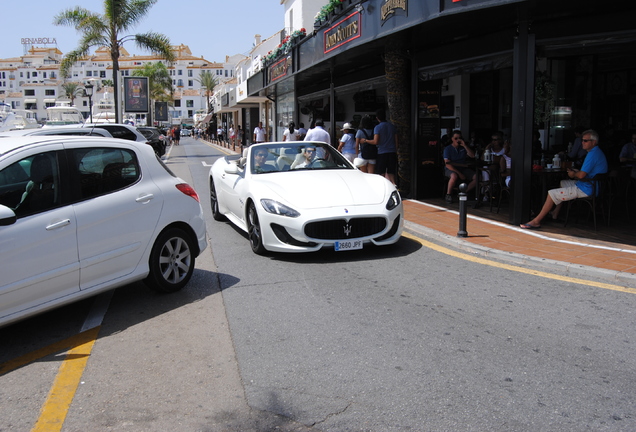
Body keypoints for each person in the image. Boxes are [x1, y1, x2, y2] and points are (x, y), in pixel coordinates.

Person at [520, 129, 608, 229]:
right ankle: (555, 213)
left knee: (551, 193)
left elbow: (581, 175)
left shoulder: (592, 154)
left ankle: (536, 221)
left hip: (587, 188)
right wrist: (576, 172)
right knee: (563, 183)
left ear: (594, 142)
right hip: (591, 185)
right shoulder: (596, 152)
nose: (582, 143)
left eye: (585, 141)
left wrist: (573, 174)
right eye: (582, 140)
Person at [360, 109, 397, 184]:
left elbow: (375, 141)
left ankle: (383, 185)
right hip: (392, 152)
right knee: (391, 171)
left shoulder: (378, 127)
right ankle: (394, 184)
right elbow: (396, 141)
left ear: (377, 118)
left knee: (381, 172)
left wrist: (365, 141)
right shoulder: (392, 127)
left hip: (382, 152)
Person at [443, 130, 476, 203]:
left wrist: (464, 145)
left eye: (459, 138)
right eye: (456, 138)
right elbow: (448, 164)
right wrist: (459, 174)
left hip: (463, 168)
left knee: (476, 177)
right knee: (454, 176)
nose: (458, 140)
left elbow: (472, 156)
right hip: (451, 168)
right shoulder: (448, 149)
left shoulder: (462, 148)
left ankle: (463, 192)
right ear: (452, 139)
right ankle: (448, 194)